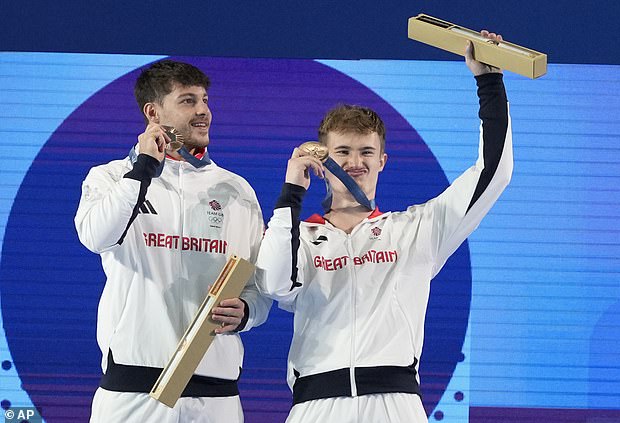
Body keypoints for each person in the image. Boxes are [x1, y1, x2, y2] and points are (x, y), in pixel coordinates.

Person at [255, 31, 512, 422]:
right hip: (316, 407)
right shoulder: (299, 238)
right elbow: (273, 283)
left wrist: (488, 82)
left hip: (395, 405)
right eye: (342, 152)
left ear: (383, 161)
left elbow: (492, 173)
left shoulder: (415, 230)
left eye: (366, 152)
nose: (354, 162)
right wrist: (291, 192)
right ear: (323, 160)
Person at [75, 60, 272, 422]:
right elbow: (94, 236)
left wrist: (247, 313)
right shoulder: (111, 177)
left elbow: (258, 285)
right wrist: (142, 171)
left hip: (216, 396)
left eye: (205, 100)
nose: (203, 111)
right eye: (187, 101)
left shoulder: (236, 190)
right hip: (133, 393)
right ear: (153, 112)